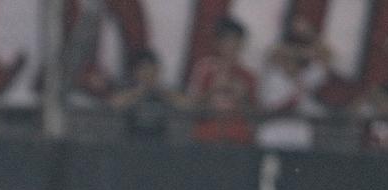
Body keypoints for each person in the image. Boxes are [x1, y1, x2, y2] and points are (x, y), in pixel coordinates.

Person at [256, 15, 332, 151]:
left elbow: (327, 57)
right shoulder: (273, 75)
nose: (292, 61)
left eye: (295, 59)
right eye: (289, 57)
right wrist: (292, 50)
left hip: (300, 132)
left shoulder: (309, 74)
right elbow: (271, 54)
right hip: (273, 130)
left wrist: (310, 35)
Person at [184, 16, 256, 146]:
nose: (233, 46)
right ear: (217, 43)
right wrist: (213, 90)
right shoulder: (204, 68)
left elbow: (256, 116)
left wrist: (243, 97)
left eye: (237, 41)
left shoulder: (248, 75)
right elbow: (190, 105)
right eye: (228, 41)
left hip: (238, 138)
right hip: (206, 136)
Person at [107, 49, 180, 139]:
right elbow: (114, 104)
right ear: (135, 72)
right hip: (133, 141)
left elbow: (186, 105)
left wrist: (161, 92)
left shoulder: (165, 91)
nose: (148, 74)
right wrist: (139, 91)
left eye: (152, 70)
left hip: (160, 142)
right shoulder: (128, 89)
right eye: (144, 69)